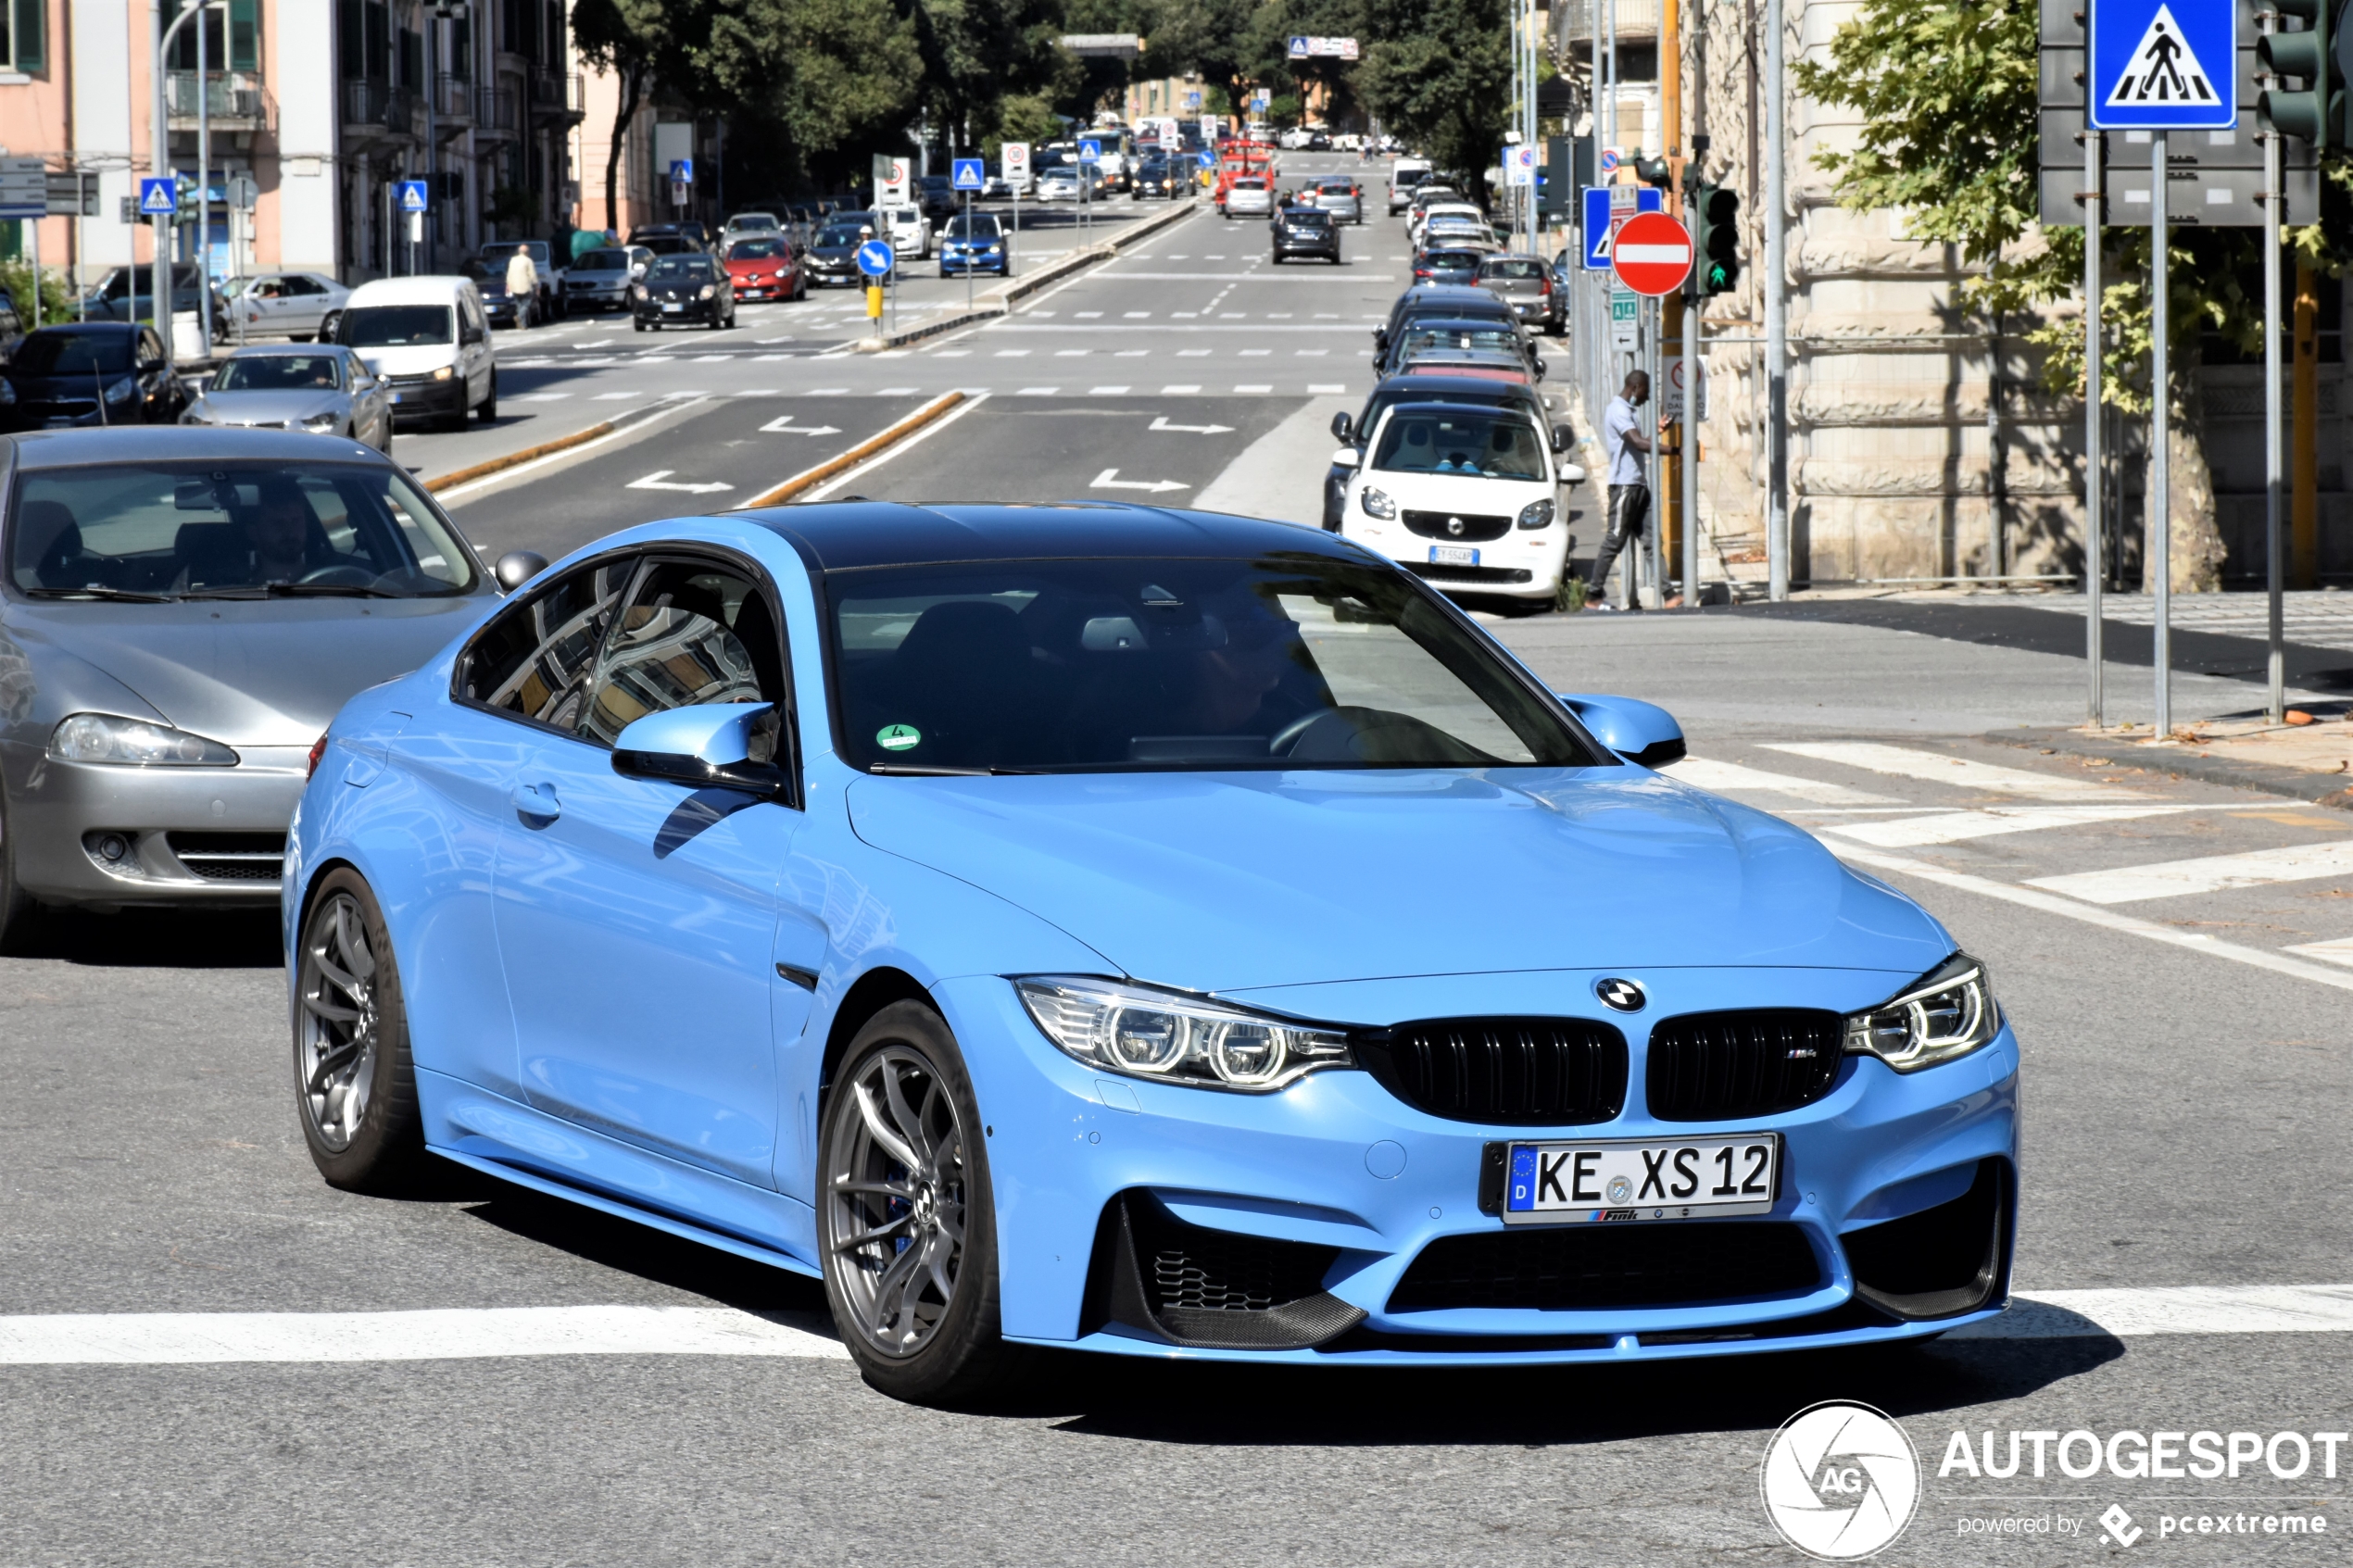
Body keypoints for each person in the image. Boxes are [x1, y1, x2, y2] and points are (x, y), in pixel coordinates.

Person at [1586, 370, 1654, 611]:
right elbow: (1637, 442)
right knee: (1614, 541)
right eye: (1646, 390)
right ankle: (1593, 595)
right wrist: (1674, 450)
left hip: (1637, 484)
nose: (1648, 396)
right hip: (1624, 484)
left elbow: (1638, 442)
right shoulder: (1618, 410)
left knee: (1650, 540)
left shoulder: (1628, 410)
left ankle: (1668, 591)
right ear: (1635, 388)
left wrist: (1658, 434)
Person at [503, 245, 538, 326]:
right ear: (527, 252)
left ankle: (523, 324)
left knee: (519, 305)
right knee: (526, 304)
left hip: (514, 286)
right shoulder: (528, 261)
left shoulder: (513, 260)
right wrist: (536, 285)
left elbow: (509, 273)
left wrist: (508, 285)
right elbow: (532, 274)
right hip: (525, 286)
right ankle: (519, 317)